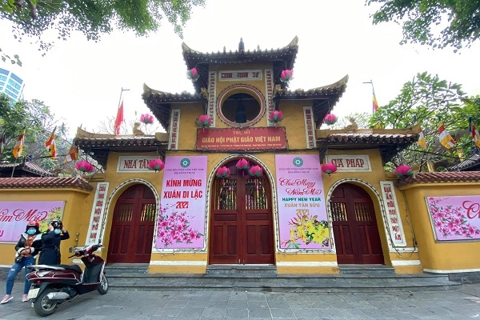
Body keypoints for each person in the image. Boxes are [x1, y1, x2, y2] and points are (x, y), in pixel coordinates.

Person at [1, 221, 42, 304]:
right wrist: (21, 250)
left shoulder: (39, 237)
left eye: (33, 228)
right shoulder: (24, 236)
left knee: (28, 277)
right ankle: (7, 295)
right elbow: (17, 246)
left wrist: (31, 250)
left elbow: (39, 248)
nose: (31, 230)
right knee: (10, 276)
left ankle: (25, 295)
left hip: (30, 259)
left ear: (36, 229)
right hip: (20, 258)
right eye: (29, 228)